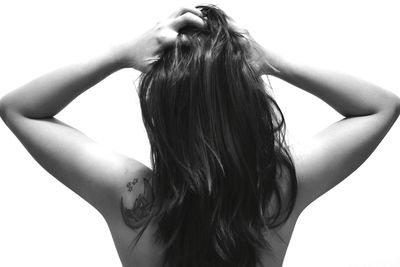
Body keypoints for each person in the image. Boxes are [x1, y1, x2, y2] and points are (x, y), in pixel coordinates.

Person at [0, 4, 399, 267]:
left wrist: (119, 54)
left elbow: (19, 108)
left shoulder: (134, 197)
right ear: (246, 105)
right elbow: (380, 106)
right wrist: (271, 61)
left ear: (164, 112)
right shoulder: (275, 192)